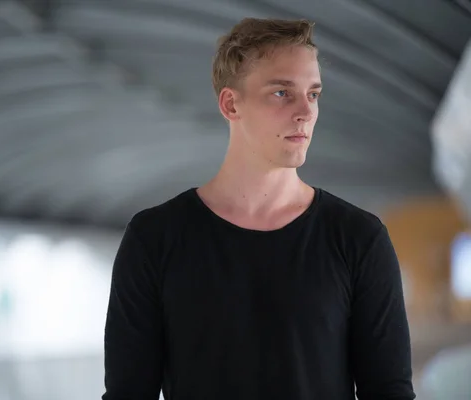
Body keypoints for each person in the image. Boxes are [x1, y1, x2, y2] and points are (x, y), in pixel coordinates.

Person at [102, 17, 415, 400]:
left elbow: (388, 391)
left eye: (313, 94)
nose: (306, 112)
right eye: (282, 93)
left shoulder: (357, 238)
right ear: (231, 103)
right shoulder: (155, 238)